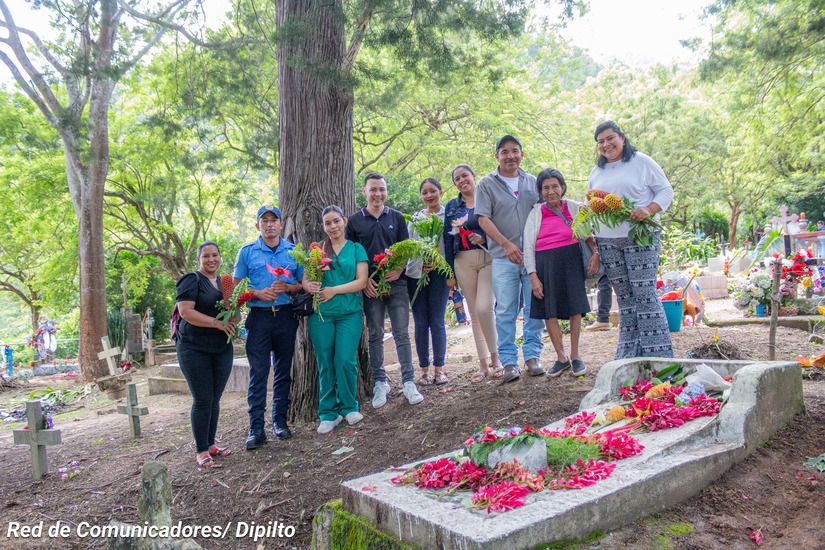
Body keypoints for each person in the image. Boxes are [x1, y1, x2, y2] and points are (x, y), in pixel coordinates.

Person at [588, 120, 674, 358]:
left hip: (639, 238)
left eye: (610, 138)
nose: (606, 144)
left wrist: (649, 209)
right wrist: (595, 247)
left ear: (622, 138)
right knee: (625, 299)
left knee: (645, 295)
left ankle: (658, 356)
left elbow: (666, 190)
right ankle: (629, 357)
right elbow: (591, 205)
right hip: (608, 243)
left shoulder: (642, 162)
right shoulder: (597, 171)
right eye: (601, 141)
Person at [346, 173, 424, 407]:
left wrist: (399, 269)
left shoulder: (397, 217)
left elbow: (405, 248)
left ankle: (408, 381)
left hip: (396, 284)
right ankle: (380, 382)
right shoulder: (354, 221)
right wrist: (363, 280)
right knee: (375, 334)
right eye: (373, 189)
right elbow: (352, 254)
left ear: (386, 191)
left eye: (381, 189)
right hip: (371, 287)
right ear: (364, 192)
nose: (378, 194)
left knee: (401, 332)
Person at [234, 206, 304, 449]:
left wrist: (288, 288)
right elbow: (235, 290)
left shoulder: (293, 251)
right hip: (259, 319)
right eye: (264, 220)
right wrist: (256, 293)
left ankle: (279, 422)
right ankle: (256, 428)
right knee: (259, 372)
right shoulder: (247, 252)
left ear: (281, 224)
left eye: (274, 220)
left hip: (285, 316)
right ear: (258, 225)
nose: (270, 224)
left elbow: (302, 284)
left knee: (284, 370)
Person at [475, 135, 544, 382]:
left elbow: (543, 213)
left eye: (515, 151)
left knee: (534, 306)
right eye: (504, 152)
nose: (510, 156)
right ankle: (509, 361)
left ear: (522, 154)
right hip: (503, 258)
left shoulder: (533, 182)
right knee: (505, 310)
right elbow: (483, 218)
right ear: (497, 156)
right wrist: (505, 244)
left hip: (532, 257)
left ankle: (533, 356)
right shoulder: (486, 184)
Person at [524, 169, 599, 376]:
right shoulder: (536, 213)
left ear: (563, 187)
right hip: (545, 265)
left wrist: (596, 254)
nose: (551, 191)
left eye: (555, 186)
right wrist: (533, 276)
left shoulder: (574, 208)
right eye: (546, 188)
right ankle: (561, 358)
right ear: (541, 191)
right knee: (549, 312)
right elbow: (528, 247)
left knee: (575, 310)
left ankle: (575, 356)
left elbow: (589, 236)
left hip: (571, 262)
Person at [304, 206, 369, 434]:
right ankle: (328, 413)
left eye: (336, 221)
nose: (333, 226)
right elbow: (305, 280)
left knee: (345, 360)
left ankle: (349, 407)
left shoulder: (356, 248)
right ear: (323, 227)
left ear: (344, 221)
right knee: (325, 362)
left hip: (349, 313)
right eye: (328, 223)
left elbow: (362, 281)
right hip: (321, 315)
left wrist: (334, 290)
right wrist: (310, 286)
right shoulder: (317, 251)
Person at [175, 241, 237, 467]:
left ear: (220, 257)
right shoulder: (191, 280)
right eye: (206, 256)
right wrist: (217, 323)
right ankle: (201, 449)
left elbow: (234, 313)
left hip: (221, 347)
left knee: (215, 398)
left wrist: (234, 313)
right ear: (198, 259)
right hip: (194, 347)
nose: (211, 259)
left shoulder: (225, 282)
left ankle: (211, 444)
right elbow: (186, 312)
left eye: (215, 255)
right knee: (202, 399)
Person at [444, 164, 502, 382]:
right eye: (457, 179)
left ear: (473, 176)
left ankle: (497, 359)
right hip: (462, 261)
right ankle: (483, 364)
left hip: (489, 258)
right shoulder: (452, 206)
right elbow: (447, 239)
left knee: (484, 308)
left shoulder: (488, 197)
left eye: (464, 176)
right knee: (474, 313)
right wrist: (450, 272)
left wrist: (484, 238)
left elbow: (500, 226)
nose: (462, 181)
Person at [406, 178, 450, 385]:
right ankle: (423, 371)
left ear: (440, 192)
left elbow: (451, 246)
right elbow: (408, 246)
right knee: (421, 323)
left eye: (433, 191)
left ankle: (439, 370)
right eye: (425, 192)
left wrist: (437, 261)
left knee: (437, 321)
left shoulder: (448, 216)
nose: (429, 195)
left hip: (439, 275)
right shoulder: (414, 219)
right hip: (415, 275)